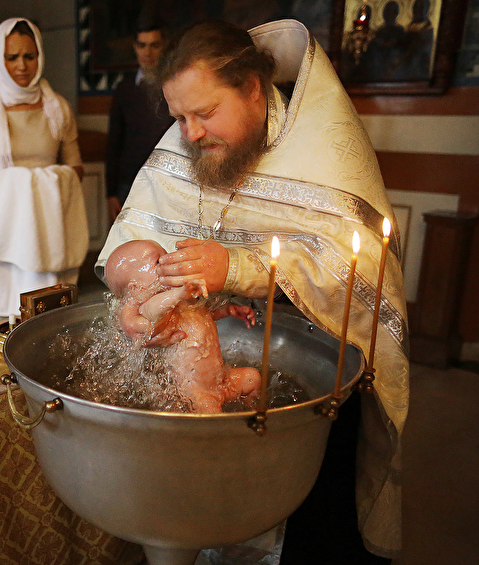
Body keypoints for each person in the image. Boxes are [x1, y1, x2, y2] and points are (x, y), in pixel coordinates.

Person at [95, 19, 408, 563]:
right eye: (179, 117)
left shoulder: (323, 149)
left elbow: (358, 271)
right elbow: (132, 246)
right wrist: (154, 295)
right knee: (196, 506)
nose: (190, 134)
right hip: (213, 350)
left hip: (316, 365)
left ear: (252, 89)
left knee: (312, 527)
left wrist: (237, 266)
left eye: (205, 112)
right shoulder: (185, 145)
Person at [0, 18, 88, 320]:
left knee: (51, 327)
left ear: (40, 56)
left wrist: (41, 183)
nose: (22, 65)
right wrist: (23, 184)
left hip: (49, 238)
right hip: (2, 240)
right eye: (11, 57)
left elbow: (76, 169)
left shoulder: (58, 108)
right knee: (3, 330)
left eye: (30, 56)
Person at [105, 239, 259, 413]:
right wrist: (179, 293)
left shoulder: (182, 300)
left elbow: (204, 313)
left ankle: (251, 414)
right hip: (196, 393)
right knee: (212, 416)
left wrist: (229, 310)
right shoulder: (150, 306)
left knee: (252, 378)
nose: (169, 262)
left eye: (166, 254)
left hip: (222, 381)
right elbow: (157, 309)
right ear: (136, 288)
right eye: (158, 261)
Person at [105, 21, 173, 222]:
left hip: (167, 180)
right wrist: (111, 192)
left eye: (154, 45)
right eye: (142, 45)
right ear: (135, 47)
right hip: (130, 181)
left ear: (164, 46)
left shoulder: (174, 85)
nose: (147, 52)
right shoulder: (125, 88)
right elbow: (114, 141)